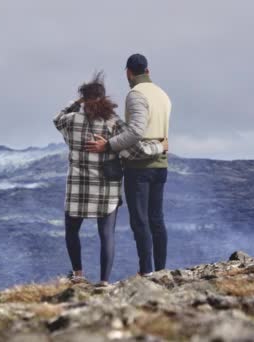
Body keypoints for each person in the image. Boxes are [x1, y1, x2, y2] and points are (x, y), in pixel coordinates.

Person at [53, 72, 166, 286]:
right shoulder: (113, 124)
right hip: (106, 189)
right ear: (103, 98)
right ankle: (104, 281)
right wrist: (160, 147)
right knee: (107, 235)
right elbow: (136, 151)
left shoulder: (70, 121)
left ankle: (78, 275)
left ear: (83, 99)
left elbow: (57, 118)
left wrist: (76, 102)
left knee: (71, 231)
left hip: (77, 188)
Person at [86, 54, 172, 277]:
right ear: (148, 70)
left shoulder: (136, 95)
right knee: (157, 219)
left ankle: (146, 272)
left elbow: (135, 131)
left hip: (139, 165)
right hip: (161, 164)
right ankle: (162, 270)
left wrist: (109, 145)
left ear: (128, 72)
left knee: (140, 221)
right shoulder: (163, 95)